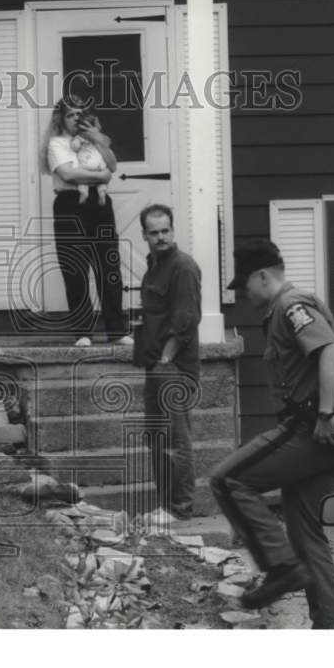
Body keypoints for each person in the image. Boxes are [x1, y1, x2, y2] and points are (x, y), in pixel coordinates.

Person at [209, 239, 334, 628]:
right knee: (307, 538)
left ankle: (280, 569)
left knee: (227, 480)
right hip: (324, 435)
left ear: (263, 276)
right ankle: (330, 628)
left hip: (314, 431)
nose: (242, 293)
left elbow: (331, 352)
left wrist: (325, 414)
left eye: (244, 285)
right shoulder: (283, 311)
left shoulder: (292, 307)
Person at [40, 96, 132, 347]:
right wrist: (100, 175)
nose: (76, 119)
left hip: (100, 206)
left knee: (109, 267)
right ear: (61, 119)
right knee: (75, 268)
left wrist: (99, 141)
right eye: (71, 115)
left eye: (80, 113)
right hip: (71, 206)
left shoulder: (94, 141)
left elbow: (111, 165)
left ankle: (117, 330)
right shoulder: (56, 143)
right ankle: (83, 332)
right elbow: (68, 174)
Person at [135, 204, 201, 524]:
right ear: (144, 235)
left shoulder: (183, 267)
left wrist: (165, 358)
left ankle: (180, 508)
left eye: (165, 230)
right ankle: (165, 506)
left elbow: (186, 320)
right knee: (157, 437)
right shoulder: (154, 265)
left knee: (176, 440)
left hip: (173, 366)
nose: (161, 237)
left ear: (173, 230)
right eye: (154, 232)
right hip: (156, 364)